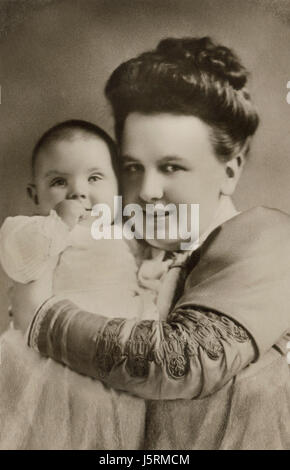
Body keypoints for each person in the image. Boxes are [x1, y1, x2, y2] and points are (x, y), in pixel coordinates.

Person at [12, 37, 290, 449]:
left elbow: (183, 363)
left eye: (172, 167)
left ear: (230, 171)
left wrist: (42, 316)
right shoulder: (120, 249)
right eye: (131, 167)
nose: (148, 191)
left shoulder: (270, 237)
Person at [0, 120, 159, 450]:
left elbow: (142, 279)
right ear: (35, 194)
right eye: (59, 182)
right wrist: (56, 223)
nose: (78, 191)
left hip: (118, 350)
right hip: (55, 359)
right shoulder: (38, 230)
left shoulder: (128, 235)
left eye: (95, 178)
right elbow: (20, 260)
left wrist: (152, 272)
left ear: (117, 188)